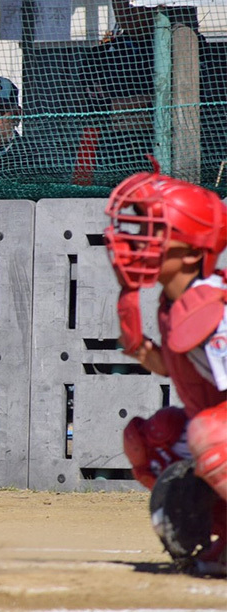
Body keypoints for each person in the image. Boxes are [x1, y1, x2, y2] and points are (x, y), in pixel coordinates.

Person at [103, 162, 226, 576]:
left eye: (156, 234)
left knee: (209, 434)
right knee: (154, 441)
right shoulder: (176, 303)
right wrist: (140, 347)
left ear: (191, 252)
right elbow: (181, 369)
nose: (139, 243)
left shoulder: (214, 309)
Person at [82, 0, 207, 184]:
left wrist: (123, 108)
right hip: (115, 166)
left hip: (184, 167)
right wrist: (155, 104)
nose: (124, 7)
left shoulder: (188, 47)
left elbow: (201, 109)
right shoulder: (97, 57)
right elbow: (95, 114)